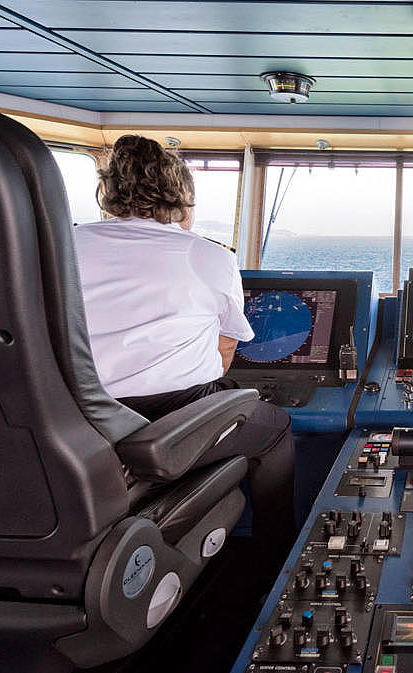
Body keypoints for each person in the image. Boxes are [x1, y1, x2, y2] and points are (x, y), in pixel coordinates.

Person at [72, 135, 294, 574]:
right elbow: (226, 348)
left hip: (76, 419)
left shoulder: (62, 245)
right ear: (182, 198)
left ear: (108, 193)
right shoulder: (207, 255)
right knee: (277, 431)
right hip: (172, 415)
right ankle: (277, 564)